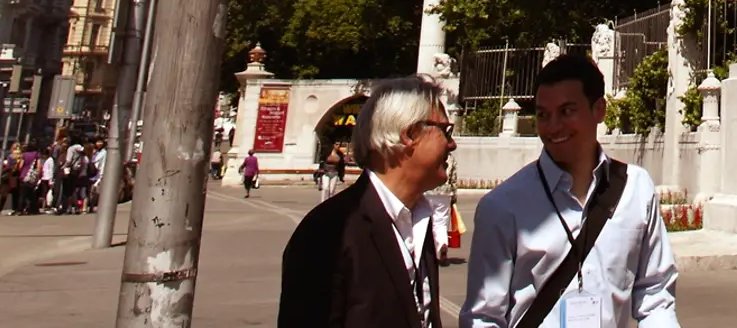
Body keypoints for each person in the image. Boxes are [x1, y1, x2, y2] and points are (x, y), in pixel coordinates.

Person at [462, 52, 680, 327]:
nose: (553, 127)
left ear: (599, 110)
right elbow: (483, 317)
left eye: (567, 111)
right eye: (543, 115)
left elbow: (655, 296)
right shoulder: (502, 206)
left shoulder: (636, 189)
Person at [279, 75, 457, 328]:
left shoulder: (419, 219)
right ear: (409, 134)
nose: (452, 144)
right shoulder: (328, 231)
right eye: (445, 131)